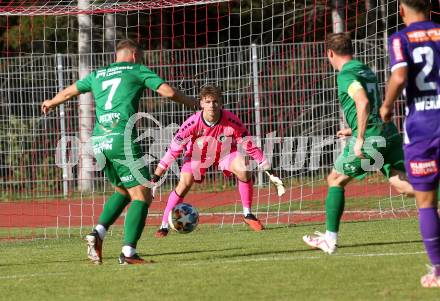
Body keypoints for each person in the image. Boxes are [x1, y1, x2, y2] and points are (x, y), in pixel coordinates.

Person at [41, 39, 197, 265]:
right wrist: (192, 102)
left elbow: (71, 91)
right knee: (142, 194)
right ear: (134, 55)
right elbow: (168, 91)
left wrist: (51, 102)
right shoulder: (136, 69)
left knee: (123, 191)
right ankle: (128, 253)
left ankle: (98, 233)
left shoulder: (98, 74)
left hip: (98, 142)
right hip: (121, 139)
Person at [303, 33, 414, 255]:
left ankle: (330, 240)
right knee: (402, 184)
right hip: (387, 131)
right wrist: (353, 128)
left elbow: (362, 102)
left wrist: (360, 137)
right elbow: (371, 102)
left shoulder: (345, 74)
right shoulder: (365, 68)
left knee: (335, 179)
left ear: (330, 54)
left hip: (371, 136)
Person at [150, 85, 285, 237]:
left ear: (221, 103)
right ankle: (163, 226)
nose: (211, 106)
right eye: (207, 102)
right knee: (185, 183)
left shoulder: (231, 120)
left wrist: (270, 171)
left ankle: (248, 214)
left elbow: (250, 146)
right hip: (197, 156)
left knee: (244, 170)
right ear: (201, 103)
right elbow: (172, 152)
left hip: (224, 153)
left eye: (215, 102)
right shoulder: (191, 124)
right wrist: (155, 178)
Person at [380, 0, 440, 288]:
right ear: (429, 6)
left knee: (426, 202)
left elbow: (400, 75)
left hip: (422, 129)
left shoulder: (400, 38)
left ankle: (439, 271)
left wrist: (387, 106)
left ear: (401, 10)